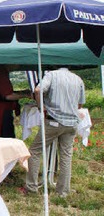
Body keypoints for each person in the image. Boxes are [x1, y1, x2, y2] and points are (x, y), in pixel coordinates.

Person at [23, 66, 85, 198]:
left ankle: (32, 187)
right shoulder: (78, 79)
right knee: (66, 156)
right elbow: (80, 104)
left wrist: (41, 107)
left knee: (34, 151)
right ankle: (63, 191)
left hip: (53, 121)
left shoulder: (51, 75)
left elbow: (38, 90)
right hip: (71, 123)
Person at [0, 65, 30, 137]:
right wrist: (26, 95)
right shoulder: (1, 73)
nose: (18, 66)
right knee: (5, 135)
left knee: (5, 133)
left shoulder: (1, 72)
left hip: (2, 109)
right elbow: (8, 96)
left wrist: (22, 92)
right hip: (1, 110)